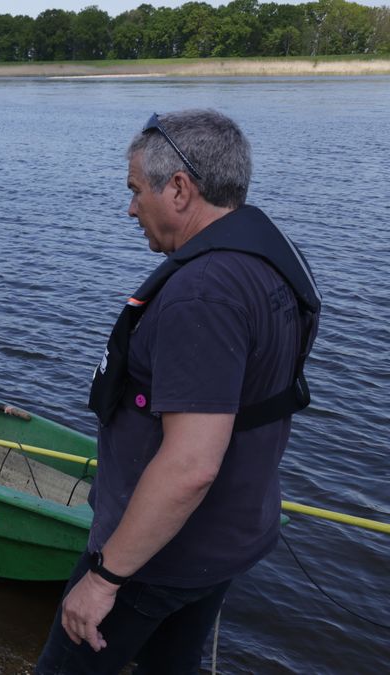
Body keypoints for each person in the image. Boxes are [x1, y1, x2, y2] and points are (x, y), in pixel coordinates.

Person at [36, 110, 321, 674]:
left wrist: (104, 578)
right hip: (227, 540)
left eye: (137, 190)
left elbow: (191, 464)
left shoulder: (203, 294)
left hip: (157, 556)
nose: (130, 208)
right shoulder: (272, 263)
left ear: (181, 188)